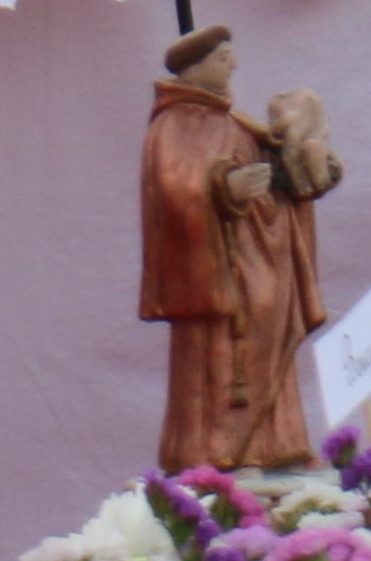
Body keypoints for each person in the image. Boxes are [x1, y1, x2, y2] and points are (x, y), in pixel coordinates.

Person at [138, 25, 339, 469]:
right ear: (196, 66)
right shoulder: (174, 123)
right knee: (221, 360)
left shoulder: (232, 121)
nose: (234, 66)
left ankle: (277, 445)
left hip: (263, 261)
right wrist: (225, 186)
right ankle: (213, 452)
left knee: (268, 353)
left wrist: (304, 162)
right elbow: (173, 188)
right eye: (224, 58)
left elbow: (276, 167)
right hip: (221, 270)